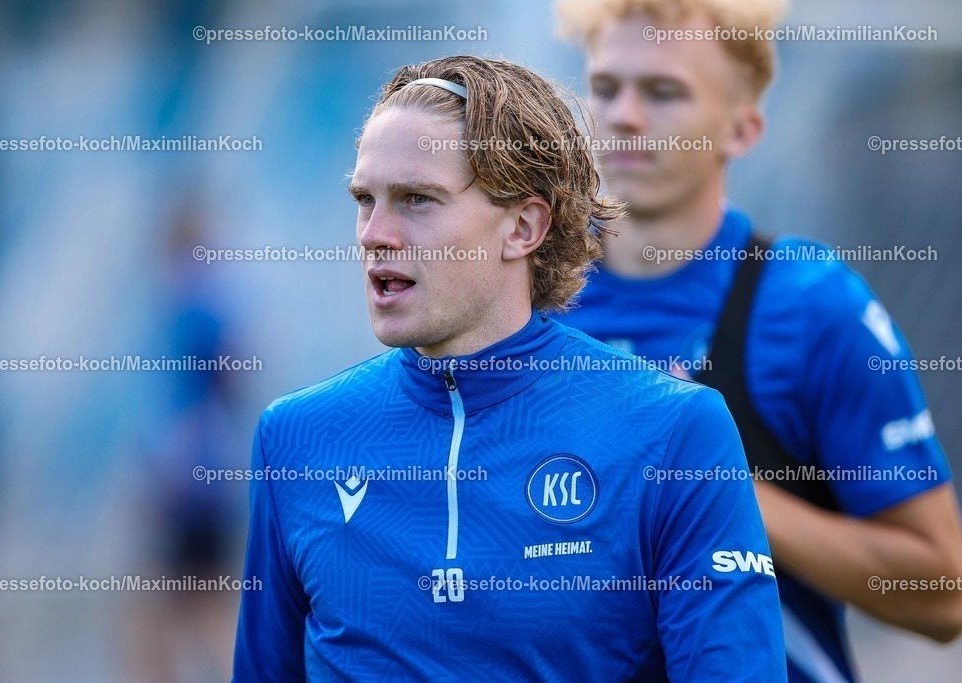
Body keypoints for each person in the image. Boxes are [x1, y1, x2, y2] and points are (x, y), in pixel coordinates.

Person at [231, 55, 786, 681]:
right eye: (366, 200)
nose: (374, 233)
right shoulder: (295, 437)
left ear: (523, 226)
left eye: (417, 199)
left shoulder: (674, 430)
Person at [554, 1, 962, 681]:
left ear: (741, 129)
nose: (623, 115)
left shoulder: (807, 305)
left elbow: (941, 595)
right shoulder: (521, 299)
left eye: (663, 92)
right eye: (605, 87)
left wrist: (724, 485)